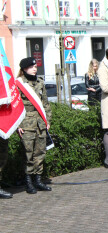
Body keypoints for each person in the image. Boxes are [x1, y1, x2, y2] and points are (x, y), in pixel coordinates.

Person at [17, 57, 52, 194]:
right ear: (24, 69)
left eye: (35, 66)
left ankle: (38, 180)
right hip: (26, 123)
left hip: (40, 123)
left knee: (40, 152)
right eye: (32, 67)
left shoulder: (40, 83)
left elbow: (45, 104)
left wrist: (47, 120)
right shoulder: (20, 84)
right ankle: (29, 182)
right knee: (28, 154)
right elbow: (16, 107)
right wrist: (19, 125)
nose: (35, 68)